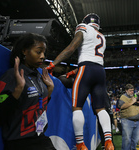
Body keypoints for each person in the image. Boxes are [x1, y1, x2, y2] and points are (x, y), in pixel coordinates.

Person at [46, 13, 114, 150]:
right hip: (100, 71)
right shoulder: (102, 36)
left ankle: (80, 143)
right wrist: (75, 71)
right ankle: (109, 141)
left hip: (86, 69)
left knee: (77, 107)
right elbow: (93, 59)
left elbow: (72, 47)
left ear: (85, 21)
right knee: (101, 109)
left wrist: (53, 64)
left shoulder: (83, 27)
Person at [0, 33, 56, 150]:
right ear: (25, 51)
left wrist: (49, 90)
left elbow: (38, 106)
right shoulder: (11, 76)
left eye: (44, 53)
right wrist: (18, 90)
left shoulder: (38, 76)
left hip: (40, 138)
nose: (42, 56)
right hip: (19, 143)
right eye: (38, 51)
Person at [118, 84, 139, 150]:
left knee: (136, 139)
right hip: (127, 121)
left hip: (137, 121)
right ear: (126, 90)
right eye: (130, 91)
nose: (132, 92)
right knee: (127, 139)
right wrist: (132, 102)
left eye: (132, 90)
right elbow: (121, 106)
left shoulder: (135, 96)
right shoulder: (123, 97)